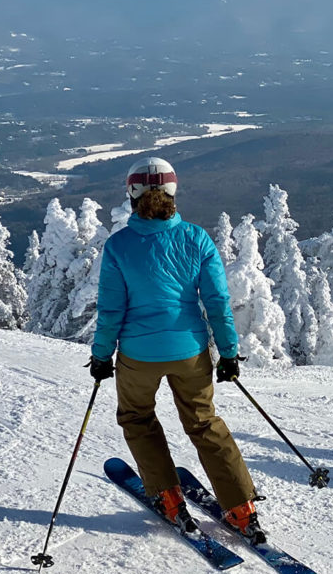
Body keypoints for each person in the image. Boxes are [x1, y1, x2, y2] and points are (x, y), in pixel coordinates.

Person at [88, 156, 264, 540]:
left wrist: (102, 356)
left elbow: (111, 309)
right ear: (172, 192)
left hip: (138, 355)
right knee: (203, 422)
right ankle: (241, 508)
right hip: (191, 352)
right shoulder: (196, 238)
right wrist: (229, 353)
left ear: (132, 193)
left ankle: (168, 498)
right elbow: (217, 302)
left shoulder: (119, 246)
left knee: (137, 418)